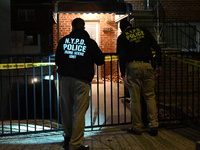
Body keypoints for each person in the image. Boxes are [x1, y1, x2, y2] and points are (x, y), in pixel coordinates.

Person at [55, 18, 105, 150]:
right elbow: (100, 60)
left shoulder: (63, 41)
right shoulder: (89, 42)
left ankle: (67, 138)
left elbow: (58, 60)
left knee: (65, 111)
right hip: (81, 82)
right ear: (83, 27)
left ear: (72, 27)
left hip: (65, 80)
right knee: (79, 112)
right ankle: (75, 144)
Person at [117, 18, 162, 136]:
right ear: (130, 25)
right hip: (148, 65)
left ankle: (137, 127)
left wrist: (123, 74)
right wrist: (159, 65)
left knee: (135, 99)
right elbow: (157, 47)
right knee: (150, 96)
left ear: (122, 29)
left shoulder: (122, 37)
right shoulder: (144, 31)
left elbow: (121, 56)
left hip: (133, 67)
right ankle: (154, 125)